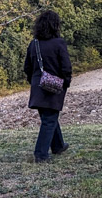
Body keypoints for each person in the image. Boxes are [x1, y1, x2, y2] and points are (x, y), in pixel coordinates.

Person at [23, 9, 73, 163]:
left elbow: (27, 67)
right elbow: (66, 67)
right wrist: (66, 82)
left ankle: (58, 146)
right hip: (54, 86)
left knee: (49, 117)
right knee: (49, 119)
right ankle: (41, 154)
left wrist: (34, 81)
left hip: (38, 87)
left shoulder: (34, 44)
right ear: (55, 25)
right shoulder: (59, 43)